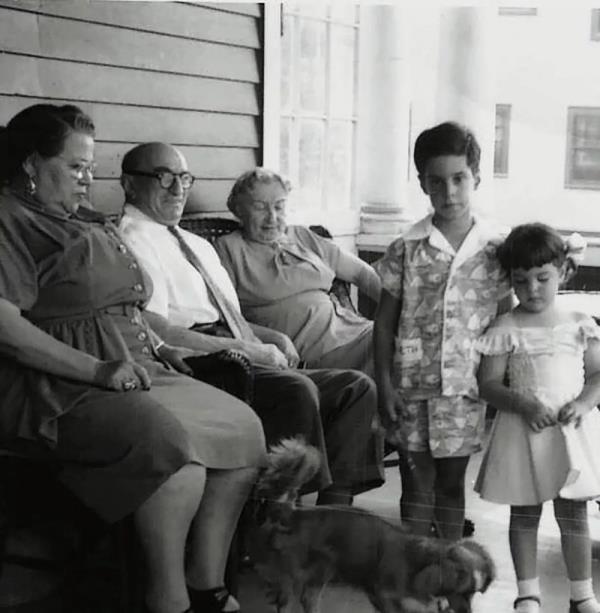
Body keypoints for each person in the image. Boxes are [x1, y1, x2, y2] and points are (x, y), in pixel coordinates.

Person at [0, 103, 267, 613]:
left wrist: (160, 349)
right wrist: (98, 370)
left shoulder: (81, 219)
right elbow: (7, 330)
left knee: (243, 428)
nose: (87, 179)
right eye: (75, 167)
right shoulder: (10, 220)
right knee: (170, 448)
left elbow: (124, 304)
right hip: (58, 381)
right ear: (32, 164)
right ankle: (166, 598)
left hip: (132, 364)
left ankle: (205, 583)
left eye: (90, 167)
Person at [118, 142, 384, 506]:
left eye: (183, 178)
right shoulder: (133, 241)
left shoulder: (194, 243)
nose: (178, 189)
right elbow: (157, 330)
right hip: (205, 362)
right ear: (130, 185)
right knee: (297, 391)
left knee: (355, 387)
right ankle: (280, 510)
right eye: (163, 179)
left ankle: (333, 513)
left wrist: (271, 338)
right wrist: (246, 347)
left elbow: (233, 316)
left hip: (240, 347)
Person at [373, 121, 512, 540]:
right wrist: (384, 385)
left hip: (466, 392)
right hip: (411, 390)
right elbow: (384, 323)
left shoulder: (497, 249)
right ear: (423, 184)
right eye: (437, 182)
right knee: (415, 486)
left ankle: (448, 570)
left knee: (451, 487)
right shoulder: (405, 247)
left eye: (459, 179)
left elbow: (507, 322)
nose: (449, 192)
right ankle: (413, 576)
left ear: (476, 178)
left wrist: (504, 381)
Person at [475, 223, 600, 613]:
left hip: (569, 430)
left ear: (563, 272)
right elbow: (489, 384)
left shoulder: (578, 321)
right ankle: (527, 593)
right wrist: (524, 404)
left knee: (573, 512)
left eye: (542, 278)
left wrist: (583, 403)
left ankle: (582, 594)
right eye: (521, 280)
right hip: (522, 429)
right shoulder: (506, 327)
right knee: (524, 511)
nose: (531, 290)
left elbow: (597, 374)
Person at [215, 167, 381, 376]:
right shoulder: (229, 249)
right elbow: (224, 319)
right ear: (239, 210)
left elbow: (362, 274)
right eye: (260, 207)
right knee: (401, 350)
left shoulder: (301, 236)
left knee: (410, 338)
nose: (272, 217)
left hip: (355, 333)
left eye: (279, 206)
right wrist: (275, 338)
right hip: (314, 355)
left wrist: (399, 311)